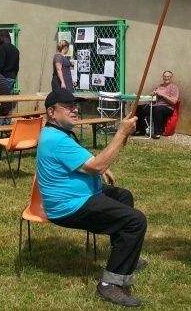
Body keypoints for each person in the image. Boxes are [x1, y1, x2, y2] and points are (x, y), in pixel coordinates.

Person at [36, 88, 146, 307]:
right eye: (68, 107)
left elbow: (88, 161)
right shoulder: (56, 139)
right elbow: (97, 165)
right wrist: (121, 134)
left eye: (75, 105)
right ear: (52, 112)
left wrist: (99, 168)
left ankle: (124, 258)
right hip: (68, 206)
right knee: (136, 221)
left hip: (80, 195)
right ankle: (110, 285)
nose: (75, 110)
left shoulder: (60, 133)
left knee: (123, 196)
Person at [135, 70, 179, 138]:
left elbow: (174, 101)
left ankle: (157, 132)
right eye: (164, 76)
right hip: (155, 105)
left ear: (171, 77)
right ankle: (141, 130)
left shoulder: (174, 87)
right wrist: (152, 94)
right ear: (162, 77)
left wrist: (162, 95)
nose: (166, 78)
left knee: (158, 109)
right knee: (139, 108)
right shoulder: (160, 86)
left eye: (168, 76)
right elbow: (153, 95)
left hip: (167, 107)